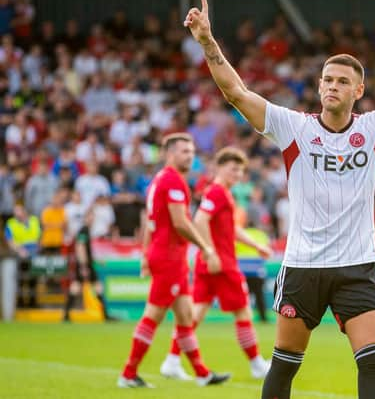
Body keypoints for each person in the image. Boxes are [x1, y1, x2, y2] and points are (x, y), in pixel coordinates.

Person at [184, 0, 375, 399]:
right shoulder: (293, 127)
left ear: (359, 90)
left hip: (357, 266)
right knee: (285, 364)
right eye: (327, 80)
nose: (332, 86)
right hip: (303, 264)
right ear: (319, 86)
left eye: (342, 81)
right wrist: (206, 41)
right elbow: (236, 93)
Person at [117, 133, 230, 388]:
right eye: (184, 152)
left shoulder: (160, 180)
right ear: (170, 154)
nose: (190, 156)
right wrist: (206, 248)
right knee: (153, 315)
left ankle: (202, 373)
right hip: (169, 257)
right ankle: (128, 373)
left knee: (185, 316)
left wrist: (146, 254)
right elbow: (180, 223)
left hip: (168, 255)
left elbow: (151, 221)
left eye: (192, 152)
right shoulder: (173, 181)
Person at [160, 146, 272, 380]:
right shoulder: (217, 192)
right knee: (243, 311)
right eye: (233, 169)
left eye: (240, 171)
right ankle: (256, 365)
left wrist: (256, 246)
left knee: (195, 314)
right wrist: (210, 252)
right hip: (221, 262)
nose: (237, 175)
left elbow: (231, 229)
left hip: (209, 261)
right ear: (219, 168)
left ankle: (172, 360)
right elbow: (199, 220)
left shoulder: (222, 193)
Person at [63, 207, 113, 322]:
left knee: (79, 287)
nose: (92, 219)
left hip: (86, 264)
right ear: (86, 218)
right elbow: (80, 248)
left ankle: (66, 315)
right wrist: (84, 266)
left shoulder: (85, 231)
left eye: (93, 217)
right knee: (88, 287)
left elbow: (85, 249)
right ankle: (105, 315)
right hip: (84, 266)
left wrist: (95, 261)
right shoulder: (84, 230)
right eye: (90, 217)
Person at [4, 202, 40, 308]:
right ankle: (20, 302)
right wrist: (20, 251)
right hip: (19, 256)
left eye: (18, 210)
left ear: (24, 211)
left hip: (34, 255)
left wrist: (37, 249)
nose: (16, 213)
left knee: (33, 279)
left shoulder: (34, 220)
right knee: (20, 279)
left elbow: (39, 236)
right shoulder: (11, 223)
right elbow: (10, 241)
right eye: (15, 211)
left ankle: (32, 302)